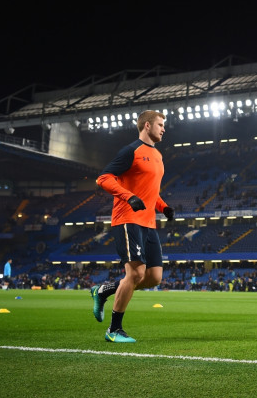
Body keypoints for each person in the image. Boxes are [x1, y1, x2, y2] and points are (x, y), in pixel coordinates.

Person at [91, 110, 175, 343]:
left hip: (149, 223)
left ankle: (104, 291)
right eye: (160, 124)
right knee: (136, 273)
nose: (163, 128)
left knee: (153, 278)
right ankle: (114, 329)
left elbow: (150, 191)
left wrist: (163, 206)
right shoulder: (131, 151)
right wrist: (128, 196)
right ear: (146, 126)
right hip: (127, 219)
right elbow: (104, 178)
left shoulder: (157, 156)